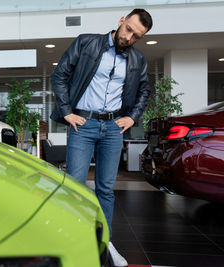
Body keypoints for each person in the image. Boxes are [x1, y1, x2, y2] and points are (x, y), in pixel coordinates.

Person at [50, 9, 153, 267]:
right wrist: (67, 112)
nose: (129, 37)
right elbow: (60, 74)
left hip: (113, 129)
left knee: (106, 190)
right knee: (75, 186)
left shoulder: (138, 60)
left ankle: (104, 243)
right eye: (128, 29)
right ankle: (72, 238)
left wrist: (132, 117)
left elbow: (144, 90)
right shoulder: (87, 42)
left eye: (136, 36)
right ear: (121, 21)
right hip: (82, 125)